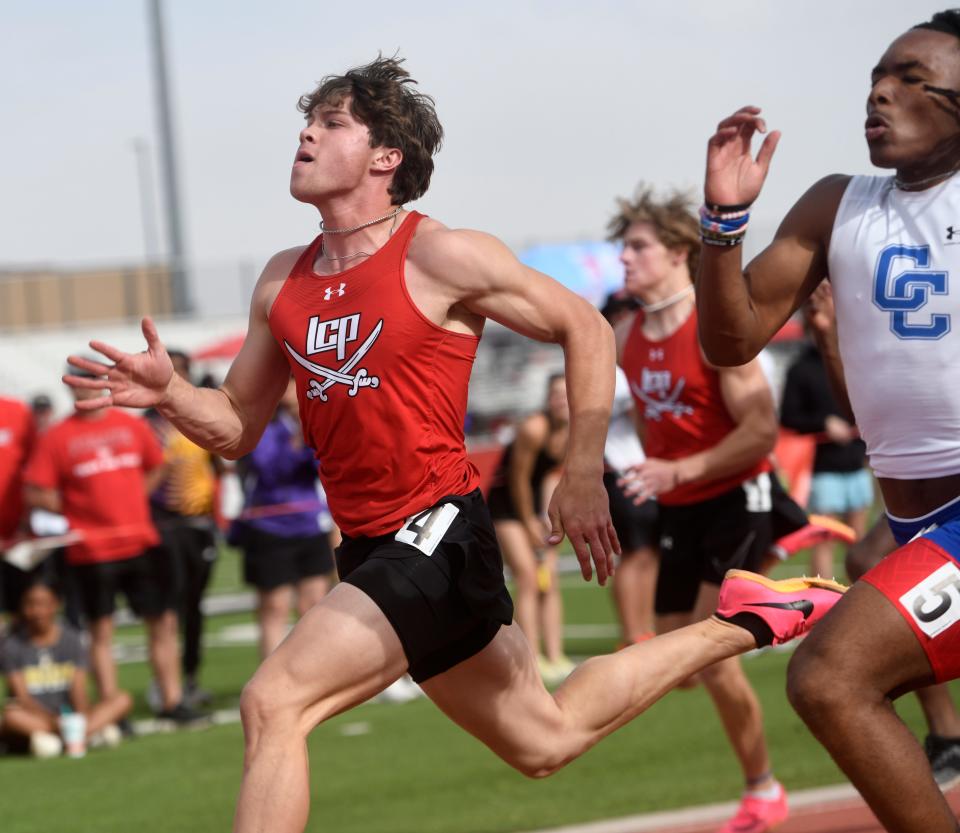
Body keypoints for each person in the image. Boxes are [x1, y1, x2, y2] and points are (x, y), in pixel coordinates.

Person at [63, 57, 845, 833]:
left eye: (331, 121)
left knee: (275, 699)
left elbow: (586, 327)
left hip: (435, 530)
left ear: (385, 156)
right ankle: (746, 619)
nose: (305, 132)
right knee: (546, 734)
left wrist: (581, 472)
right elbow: (235, 423)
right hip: (370, 546)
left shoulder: (440, 254)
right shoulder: (281, 282)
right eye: (309, 119)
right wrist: (169, 393)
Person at [697, 10, 960, 831]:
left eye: (912, 78)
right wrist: (721, 223)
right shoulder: (836, 203)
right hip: (914, 518)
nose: (881, 90)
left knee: (830, 677)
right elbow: (730, 336)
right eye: (877, 76)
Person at [611, 185, 790, 833]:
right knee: (677, 666)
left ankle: (764, 789)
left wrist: (680, 466)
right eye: (622, 246)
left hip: (737, 496)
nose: (624, 259)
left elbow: (761, 429)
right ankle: (795, 564)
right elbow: (644, 414)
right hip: (679, 508)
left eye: (638, 246)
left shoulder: (714, 328)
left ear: (681, 251)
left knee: (711, 658)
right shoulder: (627, 332)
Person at [22, 366, 200, 724]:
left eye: (91, 383)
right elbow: (35, 490)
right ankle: (112, 708)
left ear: (104, 384)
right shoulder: (57, 436)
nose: (86, 391)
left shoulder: (132, 426)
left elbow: (157, 467)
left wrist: (135, 497)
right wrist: (75, 510)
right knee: (100, 630)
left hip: (142, 542)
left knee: (162, 622)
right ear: (71, 390)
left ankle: (172, 701)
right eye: (78, 385)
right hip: (91, 552)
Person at [233, 377, 336, 658]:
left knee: (314, 605)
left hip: (309, 524)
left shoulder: (314, 420)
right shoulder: (264, 423)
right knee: (274, 607)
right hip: (270, 526)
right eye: (289, 382)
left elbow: (325, 466)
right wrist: (298, 439)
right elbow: (267, 467)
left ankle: (315, 673)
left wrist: (308, 435)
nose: (294, 388)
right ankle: (273, 676)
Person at [486, 373, 575, 682]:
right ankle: (532, 658)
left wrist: (550, 521)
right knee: (527, 576)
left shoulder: (573, 432)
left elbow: (552, 476)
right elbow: (519, 480)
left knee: (548, 579)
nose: (561, 400)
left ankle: (556, 654)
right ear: (548, 399)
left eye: (567, 394)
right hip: (506, 507)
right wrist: (528, 523)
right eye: (556, 395)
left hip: (535, 507)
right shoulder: (534, 428)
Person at [145, 349, 220, 706]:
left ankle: (189, 677)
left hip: (200, 526)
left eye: (180, 371)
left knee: (194, 605)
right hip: (163, 527)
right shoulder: (148, 423)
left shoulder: (202, 415)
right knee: (166, 609)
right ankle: (166, 684)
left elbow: (222, 463)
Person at [1, 575, 130, 757]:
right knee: (11, 716)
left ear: (56, 604)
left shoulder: (72, 640)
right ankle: (85, 736)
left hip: (69, 716)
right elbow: (22, 698)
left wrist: (78, 720)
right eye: (31, 604)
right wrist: (56, 723)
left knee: (122, 699)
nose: (37, 611)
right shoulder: (11, 645)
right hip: (37, 718)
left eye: (43, 604)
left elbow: (78, 691)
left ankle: (71, 736)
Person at [779, 330, 872, 578]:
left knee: (861, 542)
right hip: (823, 470)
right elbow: (788, 416)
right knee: (824, 541)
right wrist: (823, 423)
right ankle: (824, 602)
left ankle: (862, 600)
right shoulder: (800, 368)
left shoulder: (853, 363)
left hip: (855, 466)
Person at [598, 293, 659, 646]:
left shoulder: (631, 363)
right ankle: (630, 631)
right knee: (634, 556)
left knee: (649, 554)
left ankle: (643, 627)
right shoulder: (610, 368)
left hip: (646, 473)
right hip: (622, 472)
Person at [0, 395, 35, 614]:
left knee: (22, 610)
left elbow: (35, 473)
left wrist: (24, 525)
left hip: (15, 536)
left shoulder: (18, 411)